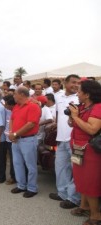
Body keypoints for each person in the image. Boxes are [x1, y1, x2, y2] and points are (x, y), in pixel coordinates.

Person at [68, 80, 101, 224]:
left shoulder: (98, 107)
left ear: (87, 94)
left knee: (90, 182)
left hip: (90, 151)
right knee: (80, 179)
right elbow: (72, 124)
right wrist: (72, 117)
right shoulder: (82, 107)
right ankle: (84, 206)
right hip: (78, 148)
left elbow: (92, 129)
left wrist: (75, 117)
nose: (77, 93)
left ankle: (96, 215)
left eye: (79, 91)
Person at [49, 74, 81, 209]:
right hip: (61, 139)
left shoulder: (80, 98)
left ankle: (73, 198)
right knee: (61, 168)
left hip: (75, 141)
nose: (76, 85)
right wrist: (56, 123)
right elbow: (58, 113)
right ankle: (62, 193)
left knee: (77, 171)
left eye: (78, 83)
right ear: (65, 83)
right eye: (73, 82)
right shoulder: (58, 97)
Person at [8, 86, 41, 198]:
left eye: (15, 94)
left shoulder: (33, 106)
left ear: (21, 94)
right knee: (17, 164)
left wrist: (16, 134)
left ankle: (32, 188)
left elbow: (31, 124)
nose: (13, 96)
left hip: (28, 140)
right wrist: (12, 133)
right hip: (16, 140)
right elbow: (12, 119)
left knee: (30, 165)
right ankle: (21, 185)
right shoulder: (16, 106)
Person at [3, 94, 17, 185]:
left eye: (6, 104)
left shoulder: (15, 111)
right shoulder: (8, 111)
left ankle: (14, 177)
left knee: (14, 160)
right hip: (8, 138)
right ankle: (13, 176)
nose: (5, 106)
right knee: (11, 158)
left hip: (14, 139)